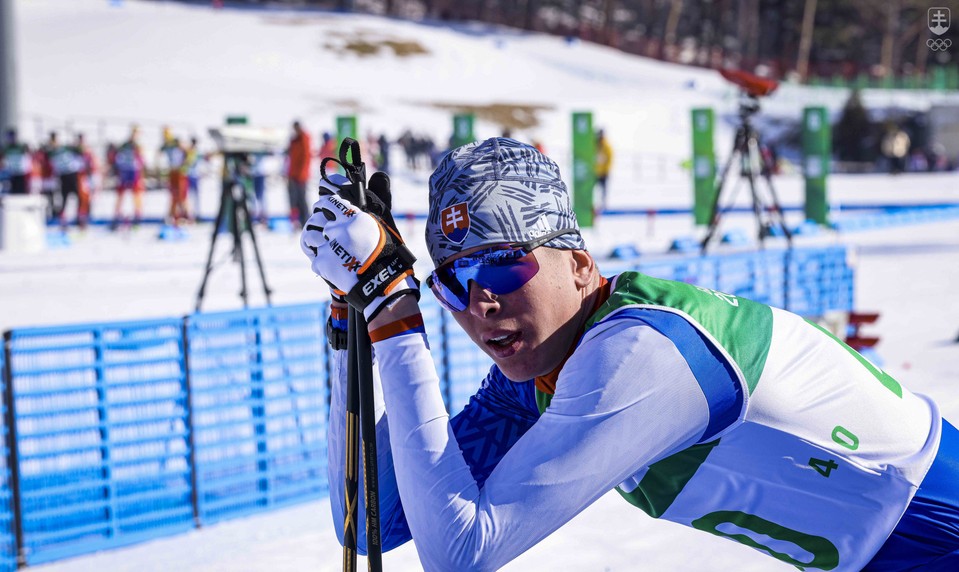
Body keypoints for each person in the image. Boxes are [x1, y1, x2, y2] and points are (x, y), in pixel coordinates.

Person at [301, 137, 959, 571]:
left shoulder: (645, 352)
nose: (481, 304)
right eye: (451, 283)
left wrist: (393, 307)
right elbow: (366, 524)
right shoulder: (534, 379)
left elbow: (464, 551)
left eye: (503, 269)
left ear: (582, 267)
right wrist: (349, 314)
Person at [111, 125, 146, 229]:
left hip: (134, 171)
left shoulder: (138, 145)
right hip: (126, 171)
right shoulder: (125, 145)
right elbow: (117, 156)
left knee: (137, 194)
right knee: (121, 193)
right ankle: (117, 216)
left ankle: (137, 215)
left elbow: (141, 160)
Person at [286, 120, 312, 228]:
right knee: (294, 200)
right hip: (293, 175)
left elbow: (306, 158)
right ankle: (297, 222)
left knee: (302, 199)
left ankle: (305, 221)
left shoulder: (303, 139)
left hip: (301, 176)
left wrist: (301, 174)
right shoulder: (294, 140)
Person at [0, 128, 34, 195]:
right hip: (11, 173)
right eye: (9, 137)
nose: (10, 139)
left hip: (21, 173)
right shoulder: (6, 148)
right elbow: (3, 159)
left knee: (21, 191)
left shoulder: (21, 147)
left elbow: (30, 154)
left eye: (12, 137)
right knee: (12, 191)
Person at [594, 128, 613, 212]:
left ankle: (603, 203)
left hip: (603, 172)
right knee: (594, 188)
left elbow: (609, 159)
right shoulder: (595, 145)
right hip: (595, 172)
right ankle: (595, 203)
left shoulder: (606, 146)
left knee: (603, 189)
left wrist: (606, 170)